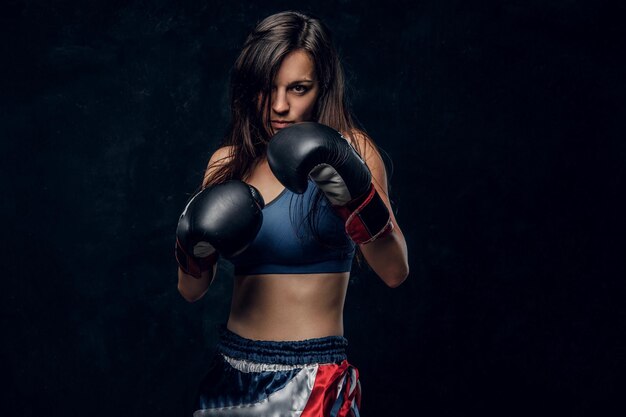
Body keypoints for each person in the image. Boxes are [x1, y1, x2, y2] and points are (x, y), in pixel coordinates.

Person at [175, 10, 409, 416]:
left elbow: (395, 271)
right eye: (268, 88)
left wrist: (349, 192)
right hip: (230, 374)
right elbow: (190, 291)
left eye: (298, 88)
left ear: (322, 88)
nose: (280, 106)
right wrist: (190, 246)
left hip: (314, 380)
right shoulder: (227, 162)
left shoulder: (352, 151)